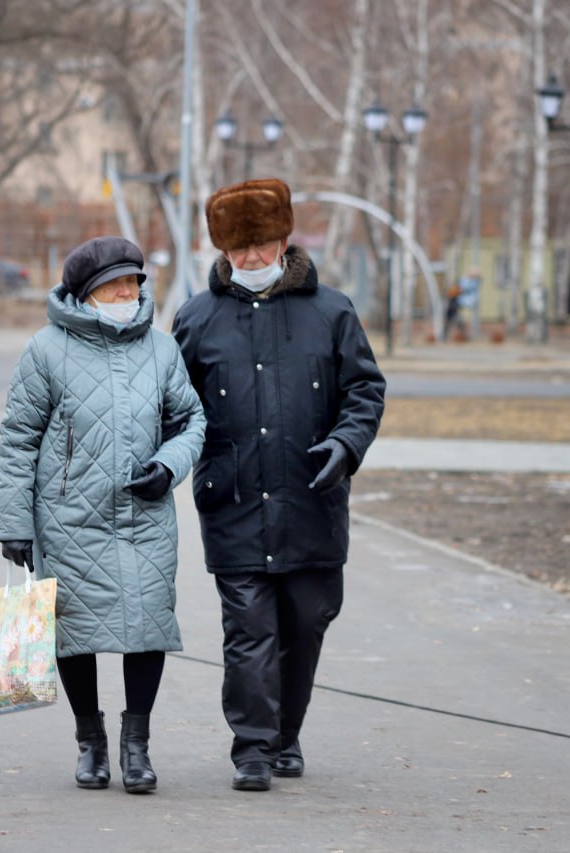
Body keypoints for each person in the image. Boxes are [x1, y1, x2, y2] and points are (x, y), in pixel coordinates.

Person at [171, 178, 386, 792]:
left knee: (306, 622)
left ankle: (287, 735)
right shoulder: (196, 317)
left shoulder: (332, 312)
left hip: (313, 499)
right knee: (249, 632)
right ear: (222, 250)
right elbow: (170, 405)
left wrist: (347, 445)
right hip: (233, 501)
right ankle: (254, 751)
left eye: (263, 243)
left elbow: (365, 391)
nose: (254, 258)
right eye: (240, 249)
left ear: (285, 239)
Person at [0, 236, 205, 794]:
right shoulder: (45, 349)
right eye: (114, 284)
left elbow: (191, 421)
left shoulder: (161, 349)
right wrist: (14, 522)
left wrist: (167, 466)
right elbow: (18, 438)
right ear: (86, 293)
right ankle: (90, 741)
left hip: (145, 515)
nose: (126, 292)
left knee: (148, 627)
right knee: (75, 634)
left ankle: (137, 747)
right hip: (69, 518)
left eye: (133, 281)